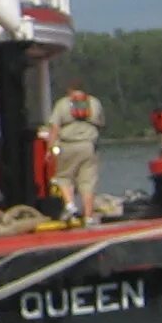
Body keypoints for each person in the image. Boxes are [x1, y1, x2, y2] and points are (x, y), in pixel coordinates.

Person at [52, 82, 105, 222]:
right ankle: (88, 217)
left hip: (68, 145)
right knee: (88, 182)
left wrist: (50, 148)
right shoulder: (95, 102)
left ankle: (70, 206)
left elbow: (55, 127)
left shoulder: (62, 104)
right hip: (89, 146)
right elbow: (101, 124)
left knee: (63, 177)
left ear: (70, 90)